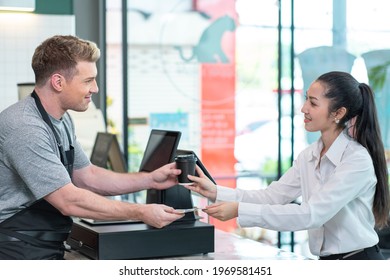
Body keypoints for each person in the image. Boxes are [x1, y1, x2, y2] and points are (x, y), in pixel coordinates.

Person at [0, 35, 184, 260]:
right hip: (15, 249)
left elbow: (88, 176)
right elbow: (68, 200)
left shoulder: (61, 119)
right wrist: (140, 212)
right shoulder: (25, 126)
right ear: (58, 82)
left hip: (40, 243)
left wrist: (151, 179)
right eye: (88, 80)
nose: (95, 88)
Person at [187, 71, 390, 260]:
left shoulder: (357, 160)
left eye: (313, 103)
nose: (303, 109)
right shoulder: (309, 155)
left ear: (338, 113)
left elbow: (311, 215)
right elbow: (272, 197)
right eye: (305, 99)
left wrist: (240, 210)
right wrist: (215, 192)